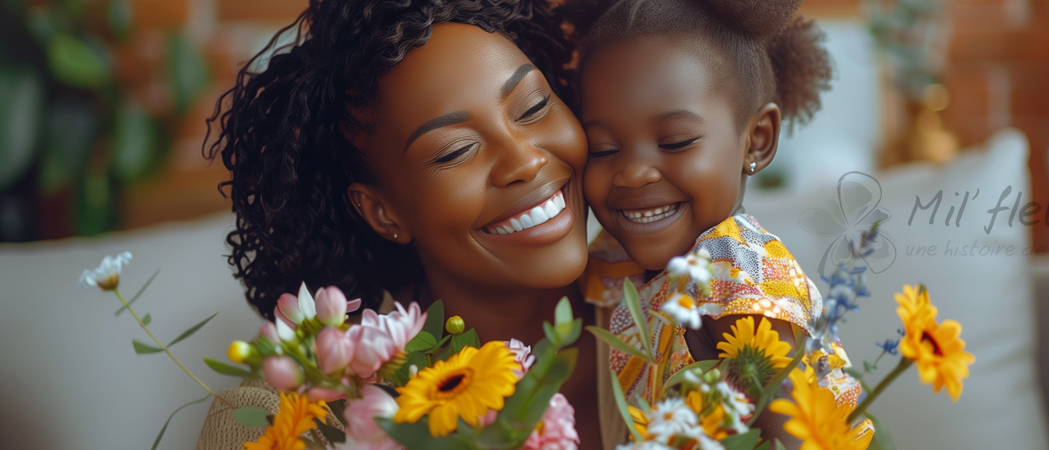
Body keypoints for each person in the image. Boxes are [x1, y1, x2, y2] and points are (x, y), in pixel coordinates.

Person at [196, 1, 615, 448]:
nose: (526, 160)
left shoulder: (677, 308)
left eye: (533, 106)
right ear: (383, 212)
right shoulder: (278, 420)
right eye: (455, 151)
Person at [567, 0, 872, 445]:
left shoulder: (735, 271)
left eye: (675, 142)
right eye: (603, 149)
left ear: (757, 141)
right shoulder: (612, 258)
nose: (633, 172)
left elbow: (789, 440)